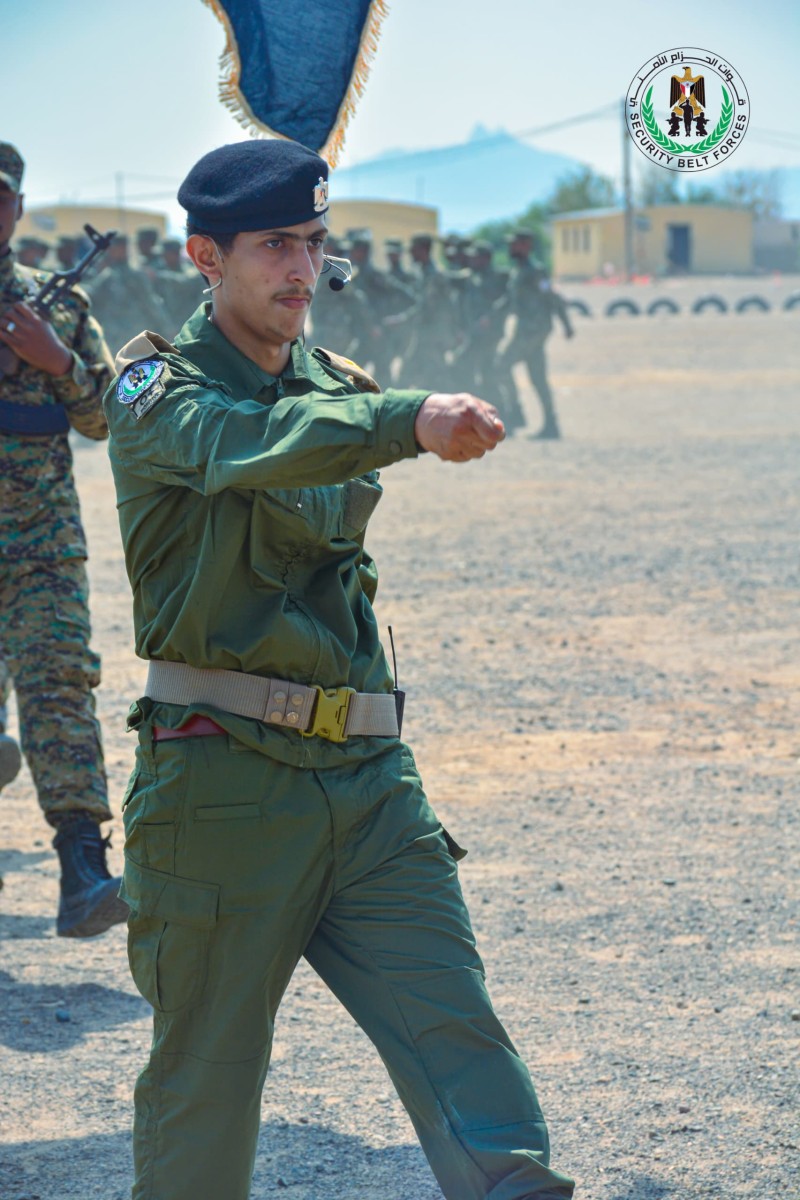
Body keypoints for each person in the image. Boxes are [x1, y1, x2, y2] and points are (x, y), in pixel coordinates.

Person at [105, 138, 574, 1200]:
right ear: (203, 258)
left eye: (314, 244)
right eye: (274, 245)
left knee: (458, 1033)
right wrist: (404, 420)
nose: (301, 270)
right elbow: (253, 442)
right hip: (222, 786)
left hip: (366, 782)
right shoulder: (151, 391)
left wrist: (381, 414)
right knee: (206, 1089)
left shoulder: (334, 384)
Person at [0, 141, 127, 937]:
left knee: (59, 694)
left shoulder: (61, 312)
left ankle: (84, 869)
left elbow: (107, 418)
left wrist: (54, 362)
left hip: (43, 543)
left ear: (16, 208)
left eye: (1, 195)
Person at [495, 229, 574, 440]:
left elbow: (551, 296)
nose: (511, 248)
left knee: (501, 365)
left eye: (515, 244)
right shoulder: (519, 270)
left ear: (526, 246)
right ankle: (551, 425)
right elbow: (511, 300)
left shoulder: (535, 270)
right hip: (527, 330)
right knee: (537, 377)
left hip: (532, 330)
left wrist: (566, 324)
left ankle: (514, 416)